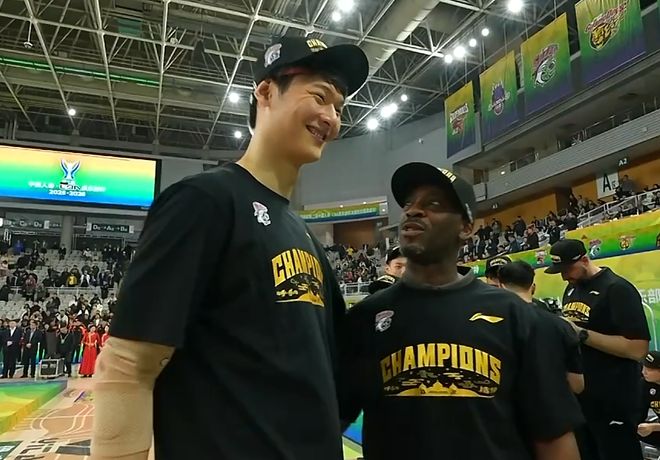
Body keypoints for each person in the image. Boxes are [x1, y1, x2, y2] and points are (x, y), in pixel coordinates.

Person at [92, 36, 369, 460]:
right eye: (320, 97)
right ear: (266, 92)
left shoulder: (306, 237)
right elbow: (128, 366)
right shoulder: (203, 202)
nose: (331, 117)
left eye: (339, 108)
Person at [338, 162, 583, 460]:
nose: (413, 211)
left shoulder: (516, 317)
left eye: (433, 204)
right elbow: (330, 420)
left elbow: (554, 437)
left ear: (466, 227)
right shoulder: (364, 318)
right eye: (409, 204)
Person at [545, 239, 650, 460]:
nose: (564, 276)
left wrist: (581, 334)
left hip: (614, 395)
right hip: (583, 396)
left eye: (567, 269)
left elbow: (638, 349)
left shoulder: (617, 289)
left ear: (584, 260)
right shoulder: (571, 288)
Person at [497, 261, 584, 394]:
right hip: (553, 401)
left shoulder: (488, 324)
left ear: (500, 287)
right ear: (533, 287)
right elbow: (577, 386)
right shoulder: (561, 325)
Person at [637, 351, 660, 449]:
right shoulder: (645, 385)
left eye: (649, 369)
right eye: (643, 367)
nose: (643, 372)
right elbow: (639, 411)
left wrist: (654, 427)